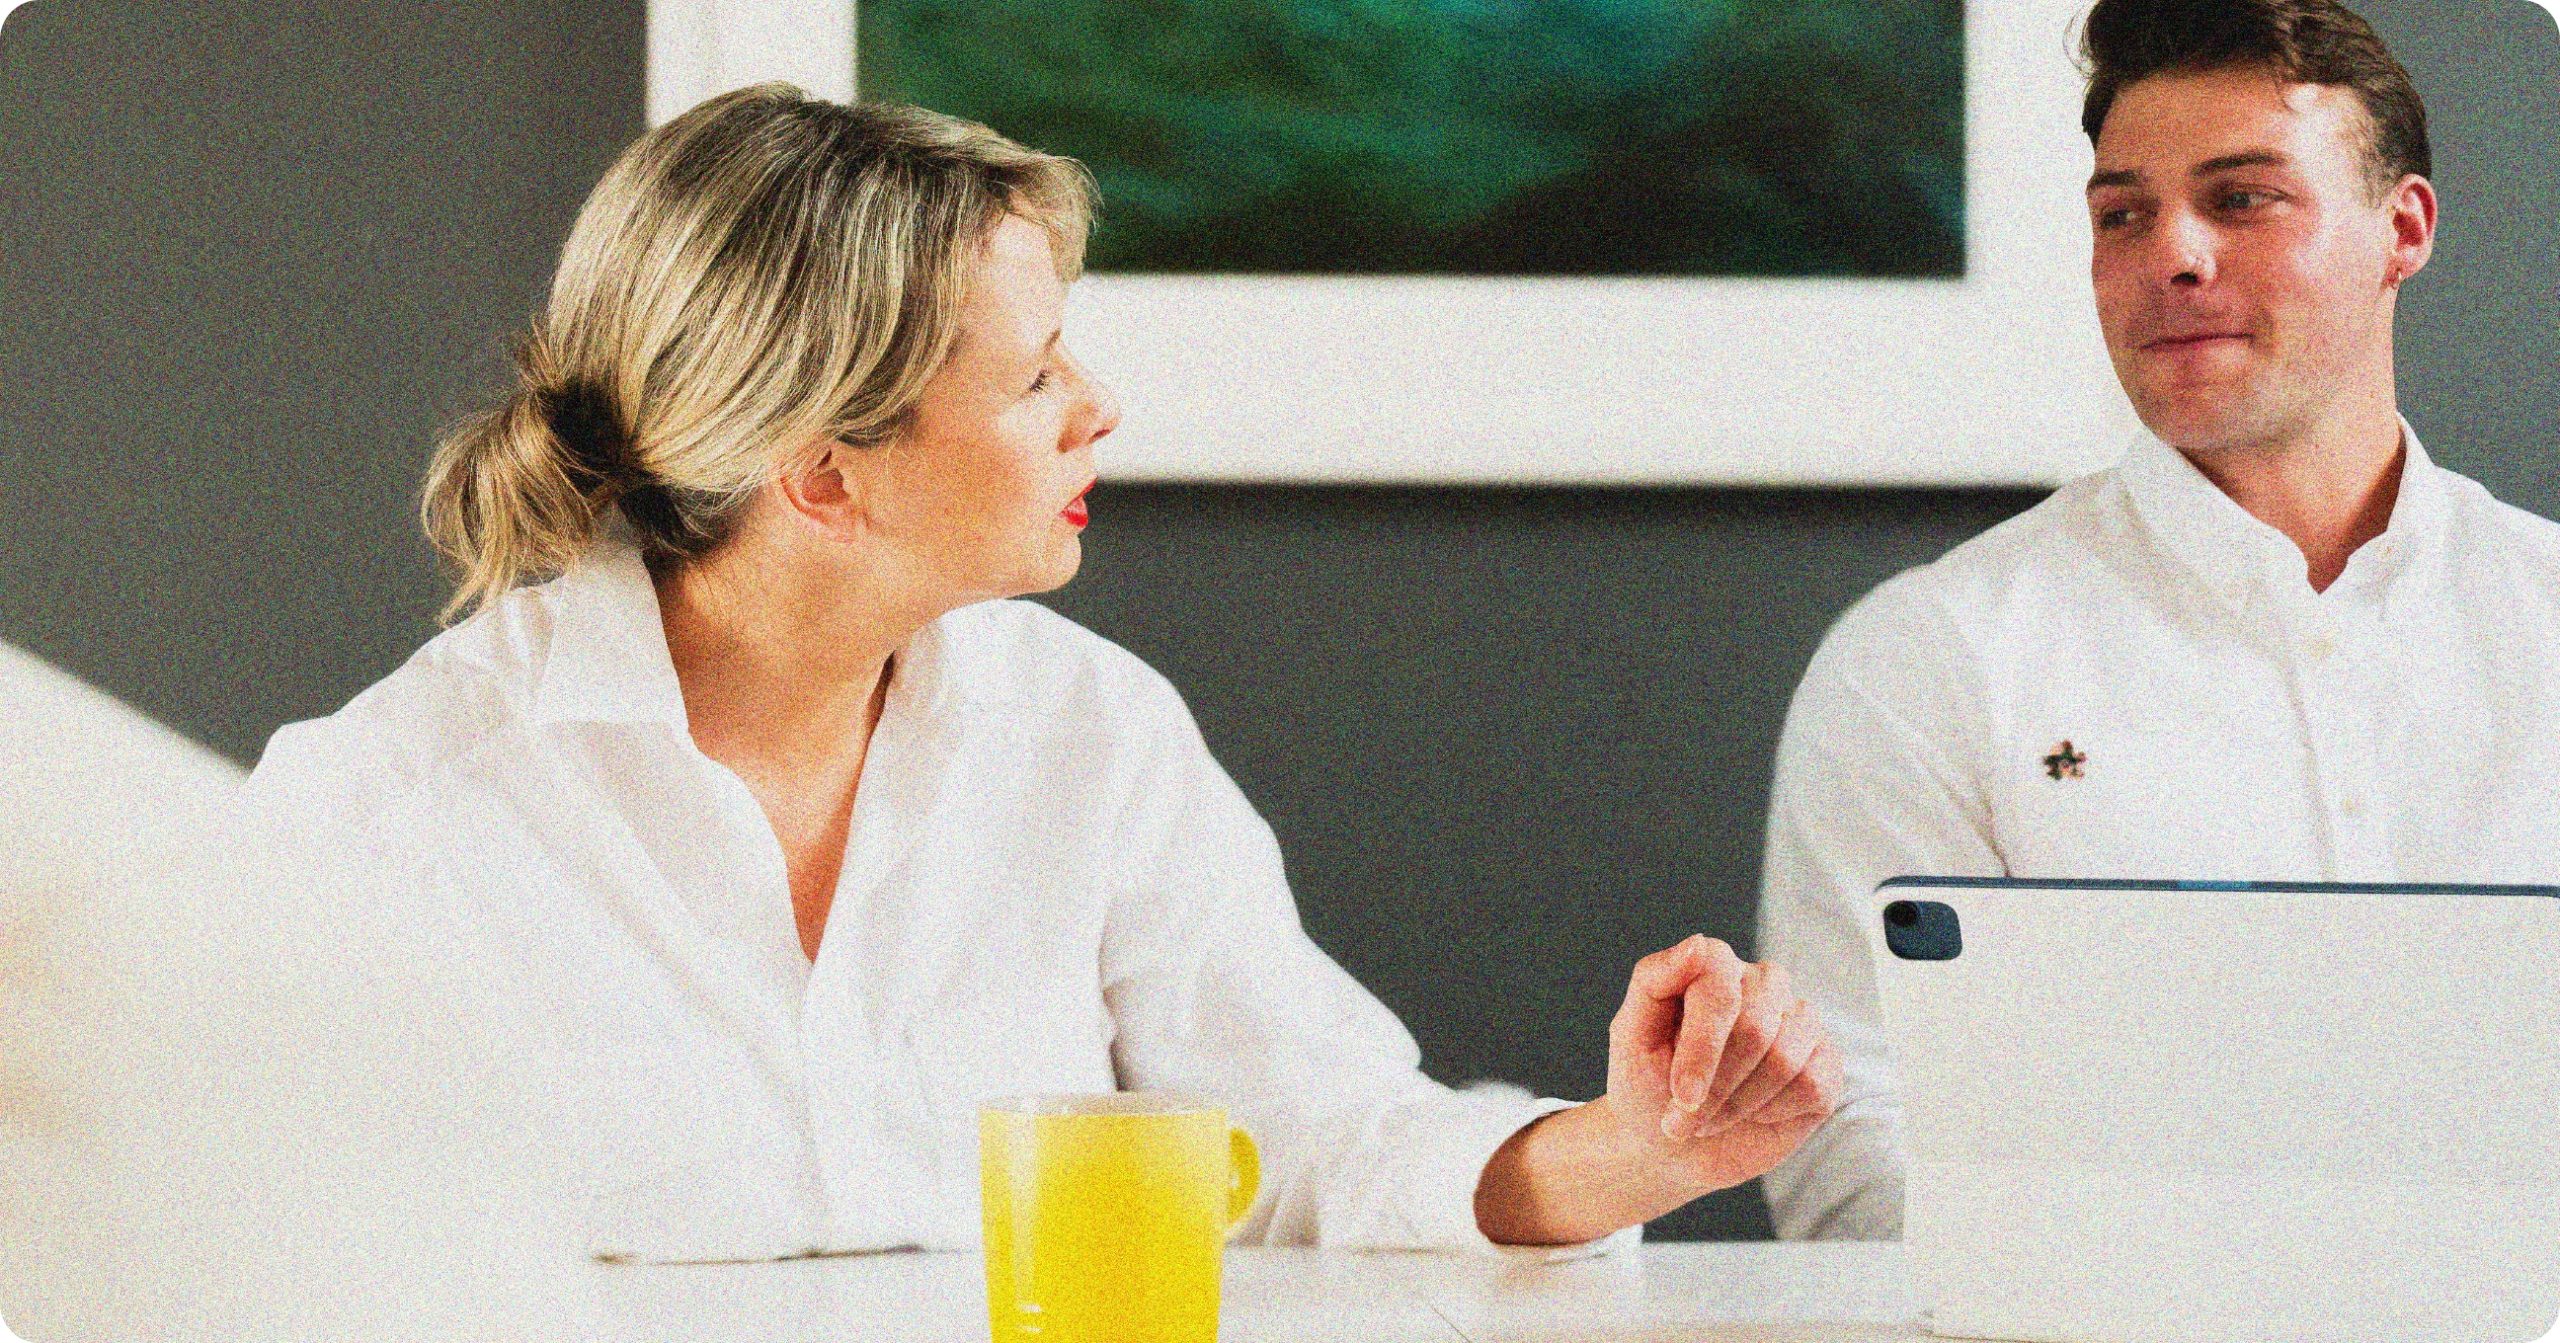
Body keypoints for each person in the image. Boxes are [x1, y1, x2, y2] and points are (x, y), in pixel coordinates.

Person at [241, 85, 1843, 1264]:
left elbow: (1319, 1140)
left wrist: (1630, 1150)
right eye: (1035, 372)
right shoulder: (389, 809)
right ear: (823, 476)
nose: (1099, 407)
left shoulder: (1089, 730)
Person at [1756, 0, 2560, 1242]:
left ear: (2402, 230)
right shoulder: (1931, 662)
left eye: (2242, 199)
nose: (2171, 255)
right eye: (2122, 213)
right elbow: (1850, 1143)